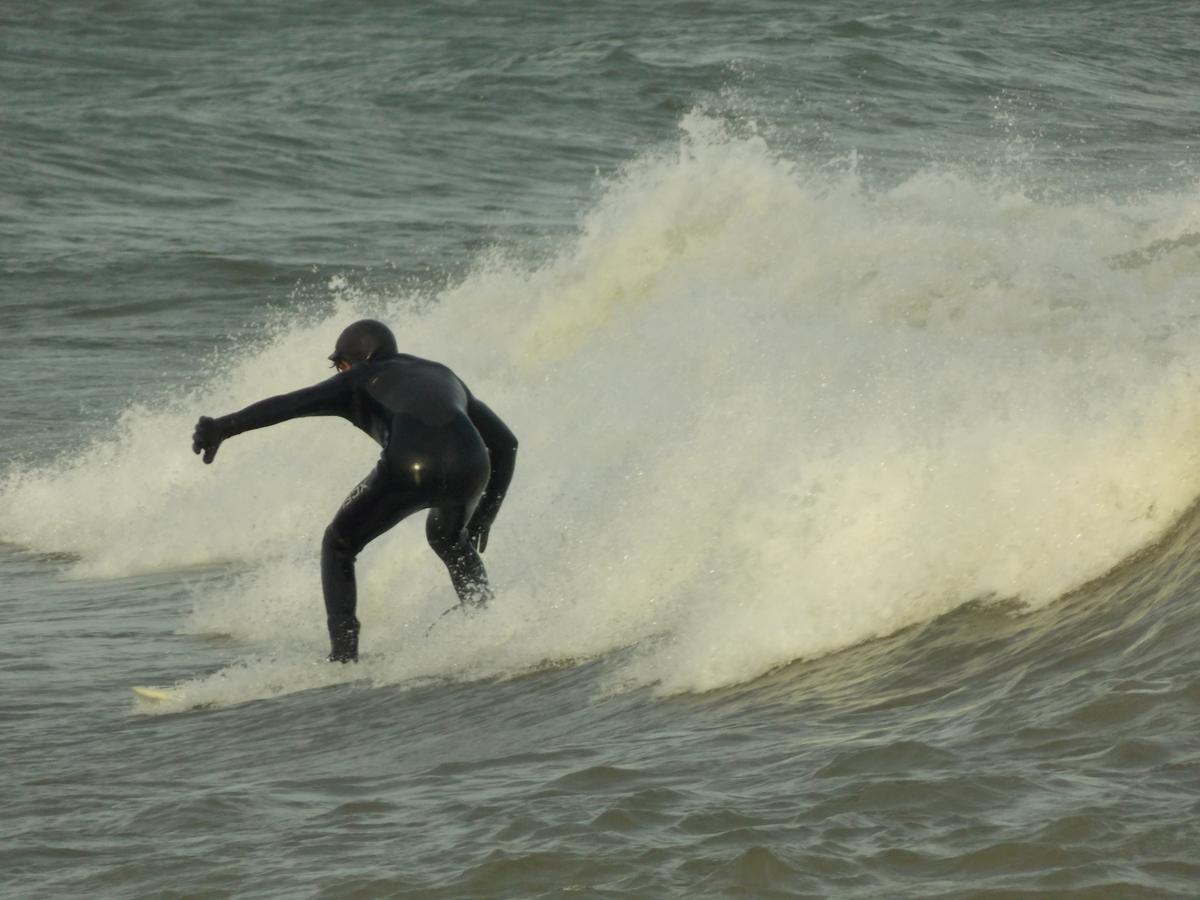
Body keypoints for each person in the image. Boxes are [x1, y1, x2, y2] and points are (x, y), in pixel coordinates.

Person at [191, 319, 518, 662]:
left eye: (341, 364)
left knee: (339, 542)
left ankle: (343, 657)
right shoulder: (441, 373)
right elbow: (506, 444)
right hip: (472, 464)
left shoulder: (356, 379)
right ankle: (485, 622)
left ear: (354, 361)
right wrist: (486, 514)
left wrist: (222, 428)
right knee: (449, 537)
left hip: (411, 464)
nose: (340, 372)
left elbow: (289, 404)